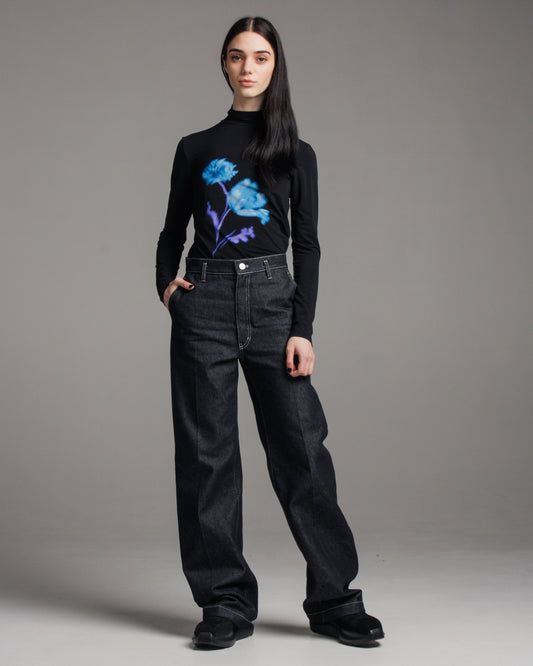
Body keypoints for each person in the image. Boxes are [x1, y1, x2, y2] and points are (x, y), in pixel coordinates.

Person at [155, 16, 384, 650]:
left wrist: (302, 328)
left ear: (275, 65)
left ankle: (335, 600)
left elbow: (306, 246)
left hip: (273, 304)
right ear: (223, 65)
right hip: (204, 304)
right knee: (206, 458)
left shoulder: (296, 153)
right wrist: (168, 288)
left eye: (259, 56)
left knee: (303, 450)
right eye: (237, 56)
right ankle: (224, 602)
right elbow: (171, 230)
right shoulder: (195, 147)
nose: (248, 67)